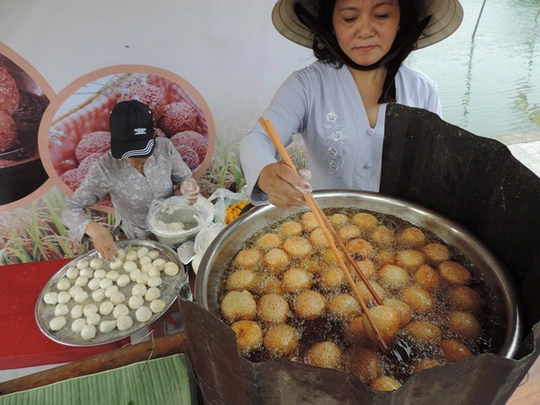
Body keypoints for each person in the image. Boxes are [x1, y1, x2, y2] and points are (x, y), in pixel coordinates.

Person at [240, 0, 463, 207]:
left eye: (382, 15)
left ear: (400, 20)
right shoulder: (306, 85)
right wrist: (266, 173)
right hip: (326, 227)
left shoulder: (423, 90)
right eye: (349, 18)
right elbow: (258, 139)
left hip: (401, 231)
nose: (365, 31)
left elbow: (433, 167)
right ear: (332, 23)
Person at [62, 100, 200, 261]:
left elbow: (183, 178)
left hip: (177, 228)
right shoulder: (105, 168)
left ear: (153, 136)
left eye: (142, 150)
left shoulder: (164, 148)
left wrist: (188, 186)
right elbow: (71, 208)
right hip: (140, 240)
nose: (134, 158)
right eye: (127, 151)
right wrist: (91, 228)